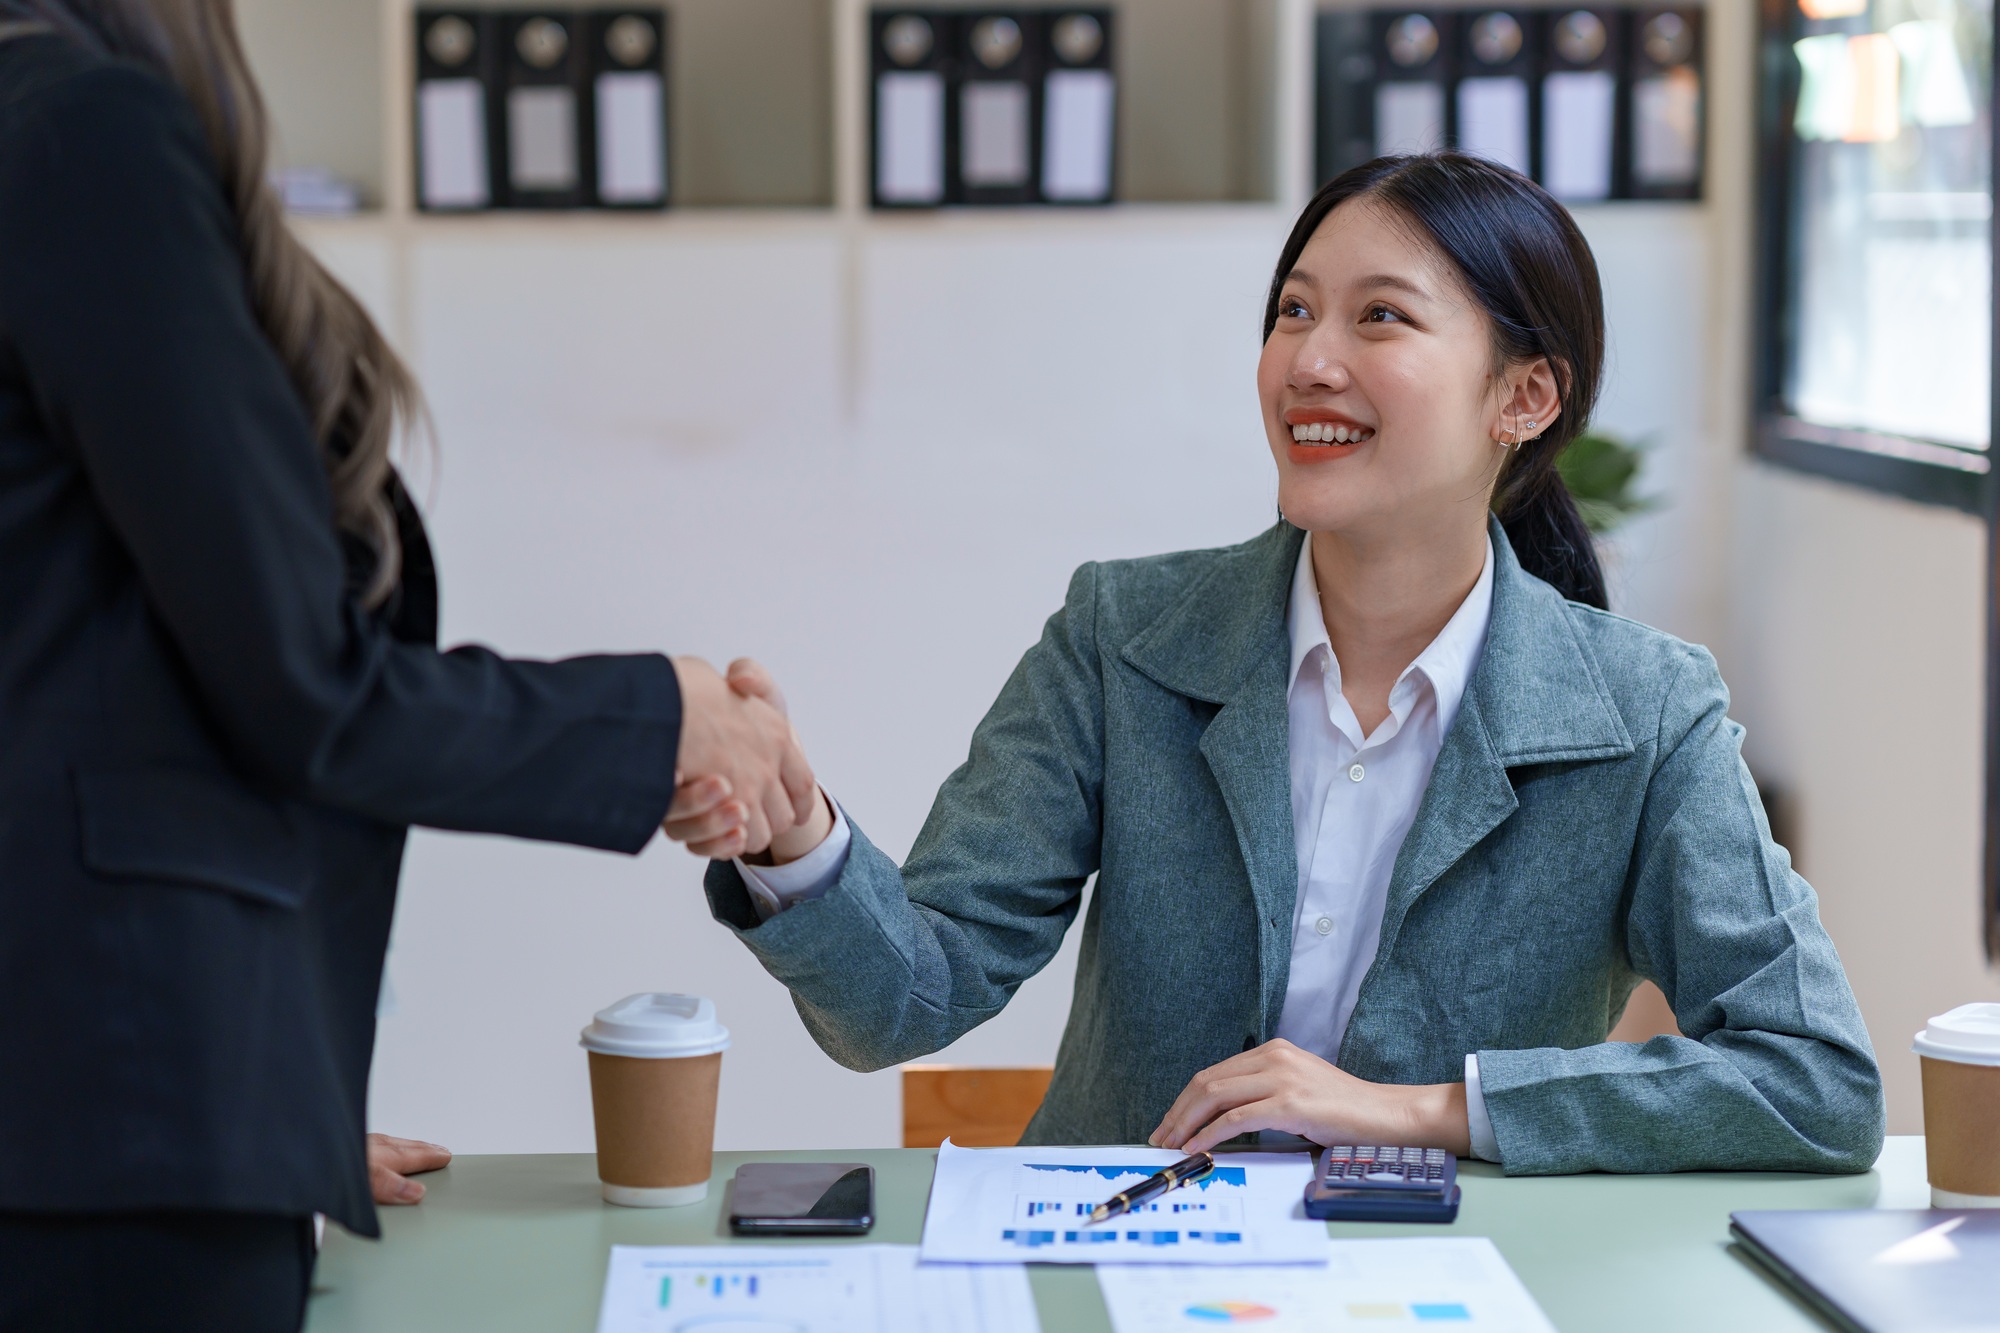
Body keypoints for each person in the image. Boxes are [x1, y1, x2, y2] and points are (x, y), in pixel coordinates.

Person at [672, 154, 1887, 1172]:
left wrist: (1419, 1109)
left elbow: (1813, 1078)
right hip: (1118, 1261)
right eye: (1293, 310)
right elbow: (908, 997)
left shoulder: (1646, 712)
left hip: (1444, 1280)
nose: (1306, 360)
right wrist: (798, 838)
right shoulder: (1121, 639)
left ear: (1521, 395)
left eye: (1379, 316)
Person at [0, 5, 812, 1330]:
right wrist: (659, 717)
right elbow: (304, 688)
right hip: (116, 1131)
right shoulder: (86, 131)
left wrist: (270, 1107)